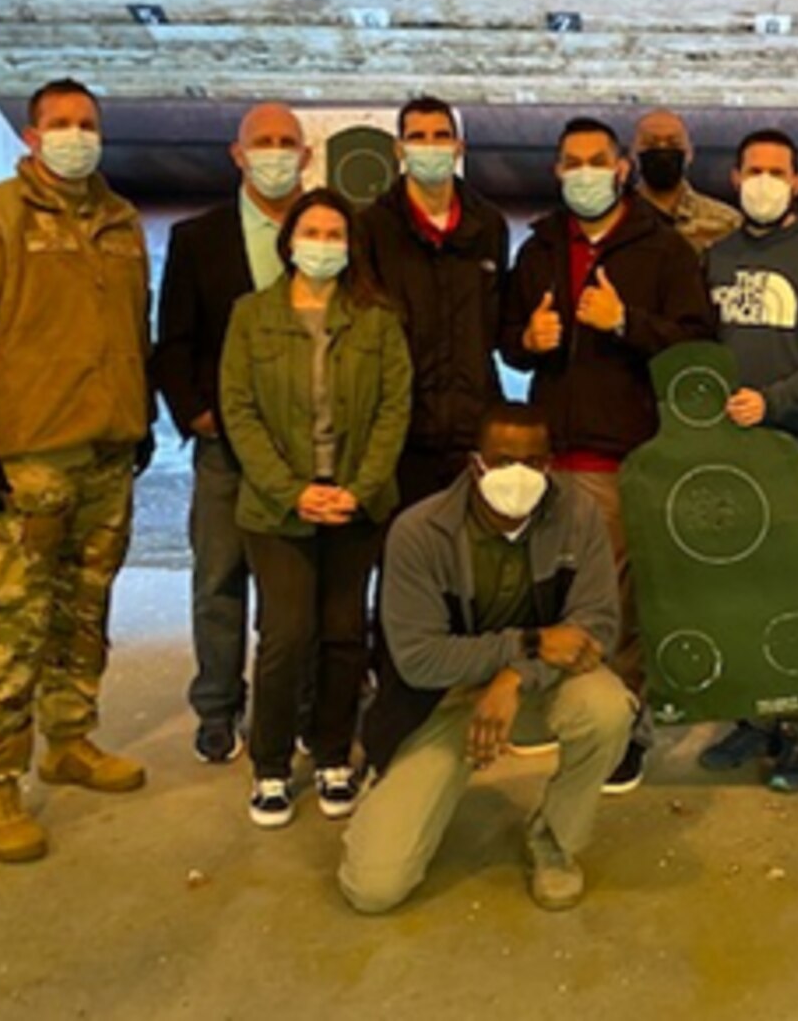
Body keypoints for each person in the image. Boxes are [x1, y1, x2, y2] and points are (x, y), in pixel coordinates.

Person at [0, 77, 155, 863]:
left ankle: (69, 738)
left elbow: (130, 329)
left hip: (106, 452)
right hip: (25, 459)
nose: (76, 136)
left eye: (88, 123)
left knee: (83, 611)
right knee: (10, 626)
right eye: (60, 124)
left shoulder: (120, 222)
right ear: (30, 136)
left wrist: (140, 410)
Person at [342, 402, 632, 915]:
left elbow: (597, 625)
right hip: (440, 700)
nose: (517, 476)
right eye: (501, 461)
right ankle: (390, 781)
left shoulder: (578, 514)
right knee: (373, 889)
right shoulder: (418, 532)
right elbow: (419, 660)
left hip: (532, 688)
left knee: (607, 708)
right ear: (475, 463)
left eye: (533, 462)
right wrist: (531, 644)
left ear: (550, 464)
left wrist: (514, 677)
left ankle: (554, 840)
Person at [499, 116, 716, 793]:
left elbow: (694, 342)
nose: (585, 172)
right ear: (557, 170)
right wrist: (527, 341)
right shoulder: (537, 247)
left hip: (623, 451)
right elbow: (507, 342)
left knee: (616, 601)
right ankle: (559, 708)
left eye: (598, 160)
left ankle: (623, 727)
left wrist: (623, 323)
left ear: (621, 168)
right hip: (548, 454)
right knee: (549, 591)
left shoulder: (663, 250)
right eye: (572, 161)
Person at [218, 190, 412, 828]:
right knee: (285, 635)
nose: (323, 243)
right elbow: (238, 412)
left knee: (343, 633)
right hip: (278, 511)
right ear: (289, 241)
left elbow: (392, 411)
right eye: (312, 231)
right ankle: (270, 766)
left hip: (357, 503)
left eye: (335, 233)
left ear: (350, 245)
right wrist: (292, 489)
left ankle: (332, 752)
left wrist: (358, 487)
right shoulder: (251, 316)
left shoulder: (377, 319)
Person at [700, 128, 798, 792]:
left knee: (794, 596)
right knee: (738, 592)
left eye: (778, 171)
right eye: (753, 170)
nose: (764, 181)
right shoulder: (718, 255)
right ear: (734, 179)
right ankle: (753, 716)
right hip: (729, 456)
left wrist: (772, 402)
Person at [150, 102, 309, 765]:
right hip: (225, 449)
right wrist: (197, 413)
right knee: (218, 578)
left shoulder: (329, 233)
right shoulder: (199, 239)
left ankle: (295, 704)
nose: (274, 152)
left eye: (286, 142)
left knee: (295, 588)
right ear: (238, 155)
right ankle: (217, 706)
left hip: (305, 447)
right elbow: (174, 340)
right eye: (261, 142)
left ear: (305, 156)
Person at [361, 95, 509, 506]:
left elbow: (494, 322)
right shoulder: (372, 227)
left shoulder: (489, 225)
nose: (430, 146)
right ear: (399, 148)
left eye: (441, 136)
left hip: (472, 431)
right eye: (418, 137)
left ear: (459, 147)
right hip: (401, 435)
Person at [632, 107, 739, 255]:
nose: (663, 150)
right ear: (633, 153)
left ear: (689, 153)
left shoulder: (727, 222)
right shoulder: (616, 219)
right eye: (651, 144)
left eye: (674, 144)